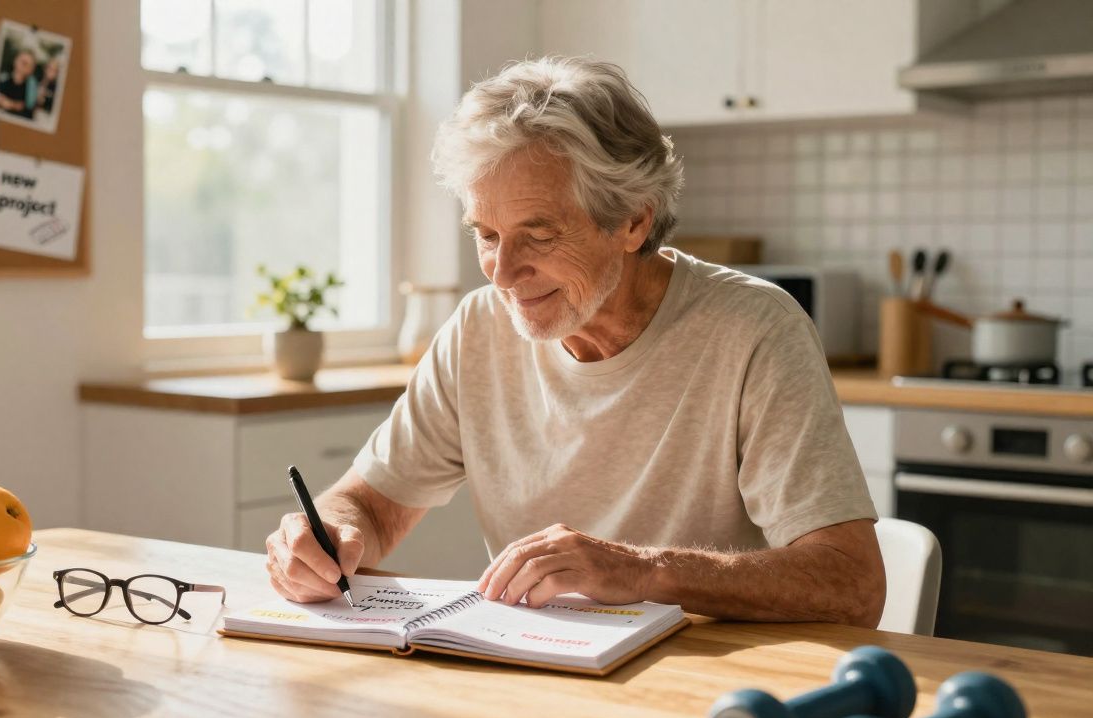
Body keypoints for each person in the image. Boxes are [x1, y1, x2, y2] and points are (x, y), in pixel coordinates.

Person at [264, 57, 886, 627]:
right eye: (485, 234)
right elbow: (369, 508)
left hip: (708, 687)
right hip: (542, 679)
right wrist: (327, 536)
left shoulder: (755, 330)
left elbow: (852, 583)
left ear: (633, 220)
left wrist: (642, 572)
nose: (502, 273)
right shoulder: (477, 330)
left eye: (537, 235)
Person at [0, 49, 38, 119]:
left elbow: (29, 110)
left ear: (32, 70)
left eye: (28, 65)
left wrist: (11, 104)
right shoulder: (2, 79)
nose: (24, 66)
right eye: (23, 62)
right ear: (15, 61)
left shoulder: (32, 88)